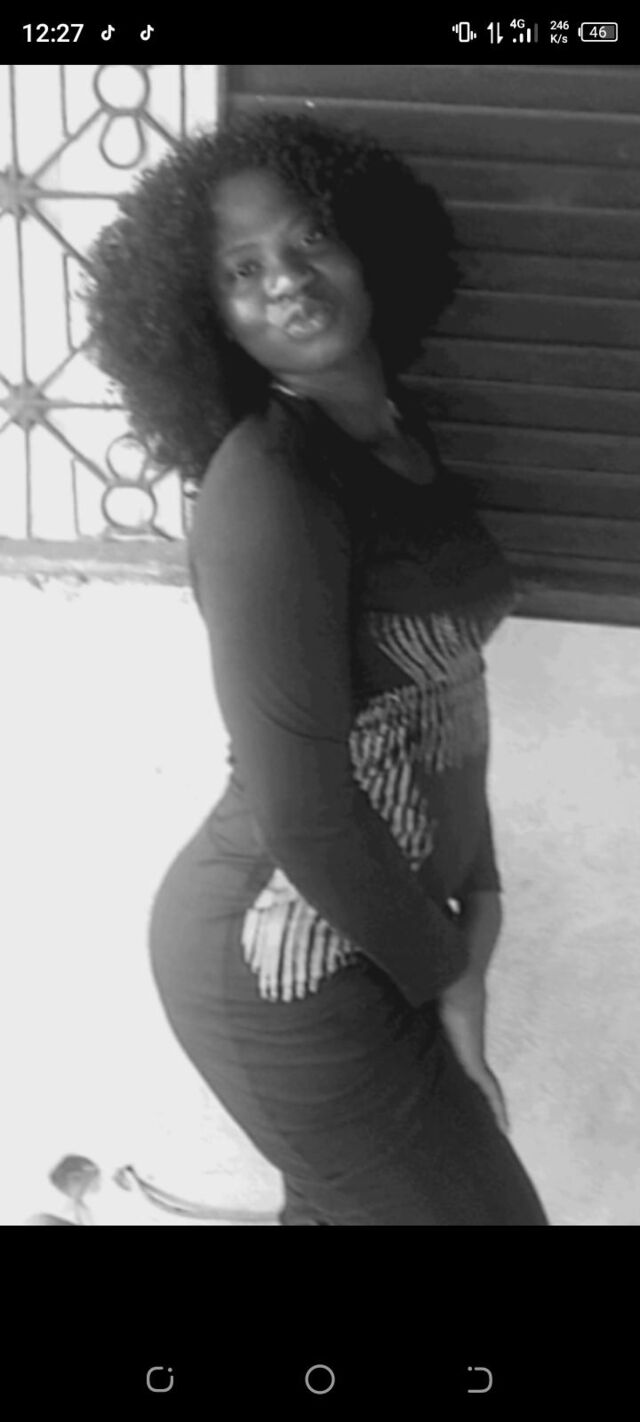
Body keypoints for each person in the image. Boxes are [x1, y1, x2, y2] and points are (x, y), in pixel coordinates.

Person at [82, 111, 549, 1226]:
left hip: (385, 927)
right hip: (278, 957)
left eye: (308, 240)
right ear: (207, 314)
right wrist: (450, 970)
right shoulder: (270, 489)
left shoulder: (399, 436)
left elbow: (445, 696)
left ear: (368, 249)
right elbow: (301, 808)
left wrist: (479, 893)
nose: (285, 280)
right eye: (241, 270)